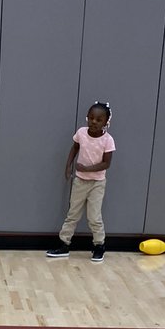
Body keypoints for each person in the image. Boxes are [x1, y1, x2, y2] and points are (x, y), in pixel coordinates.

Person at [47, 102, 115, 263]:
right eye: (91, 118)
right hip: (80, 182)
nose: (93, 122)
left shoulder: (108, 140)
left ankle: (99, 246)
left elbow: (106, 164)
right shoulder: (81, 133)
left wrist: (87, 168)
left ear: (106, 122)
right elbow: (74, 148)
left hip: (97, 184)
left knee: (94, 217)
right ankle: (64, 244)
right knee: (73, 214)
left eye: (99, 120)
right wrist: (68, 166)